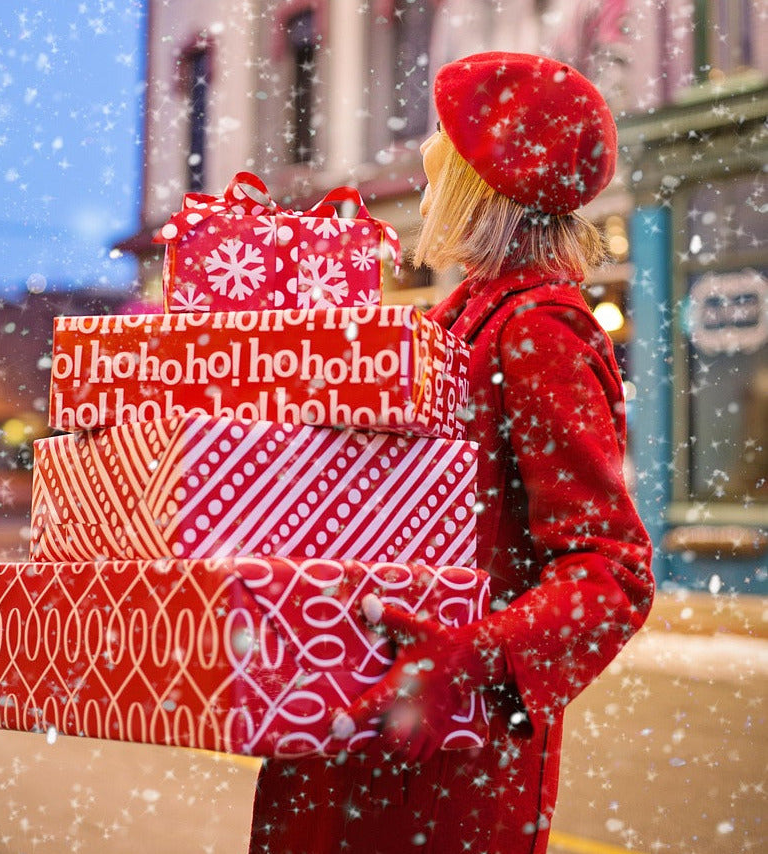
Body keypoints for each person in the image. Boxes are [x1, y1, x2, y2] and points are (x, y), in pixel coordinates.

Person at [248, 51, 654, 854]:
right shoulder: (453, 322)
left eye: (445, 141)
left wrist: (468, 660)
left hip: (438, 766)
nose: (430, 158)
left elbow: (611, 570)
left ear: (482, 179)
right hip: (355, 728)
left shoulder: (535, 330)